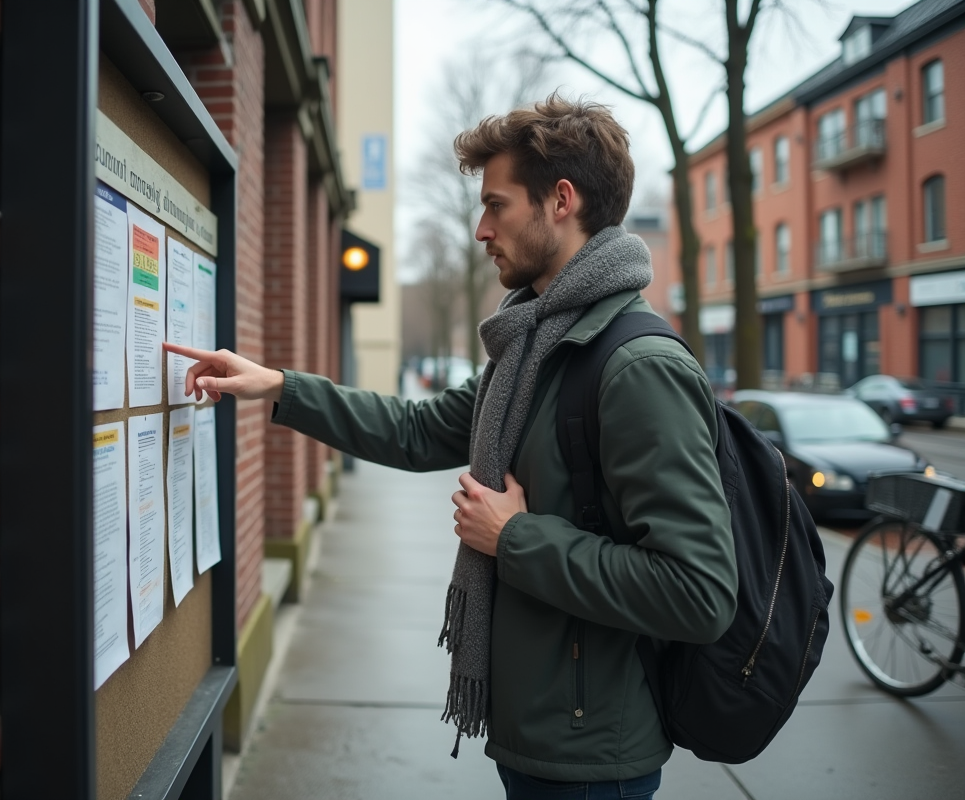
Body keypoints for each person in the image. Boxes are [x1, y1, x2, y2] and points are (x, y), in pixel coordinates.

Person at [165, 94, 737, 800]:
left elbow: (700, 591)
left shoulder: (635, 365)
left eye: (497, 206)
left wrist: (517, 538)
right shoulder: (532, 346)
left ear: (561, 200)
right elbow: (417, 429)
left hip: (592, 759)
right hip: (536, 731)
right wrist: (280, 386)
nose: (480, 229)